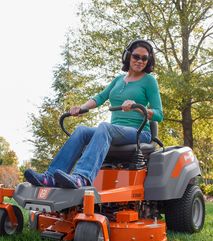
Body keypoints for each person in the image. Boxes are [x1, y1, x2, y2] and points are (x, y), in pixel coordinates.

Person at [25, 39, 163, 189]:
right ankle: (50, 177)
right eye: (136, 56)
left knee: (104, 127)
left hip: (139, 133)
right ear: (128, 56)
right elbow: (100, 98)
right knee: (82, 130)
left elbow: (158, 114)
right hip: (114, 131)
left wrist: (137, 107)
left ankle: (82, 177)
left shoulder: (149, 81)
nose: (140, 61)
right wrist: (81, 108)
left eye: (144, 58)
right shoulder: (118, 80)